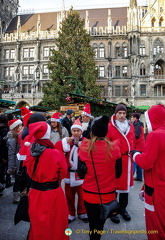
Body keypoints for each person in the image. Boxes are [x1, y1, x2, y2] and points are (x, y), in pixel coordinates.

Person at [78, 115, 121, 240]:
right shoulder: (114, 148)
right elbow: (118, 174)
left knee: (93, 223)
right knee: (100, 223)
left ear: (92, 131)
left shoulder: (85, 148)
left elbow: (81, 174)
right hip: (108, 194)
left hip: (89, 194)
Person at [25, 121, 69, 240]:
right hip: (53, 193)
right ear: (47, 134)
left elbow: (29, 172)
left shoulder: (30, 152)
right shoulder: (56, 153)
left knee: (38, 223)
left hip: (35, 193)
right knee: (57, 223)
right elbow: (63, 174)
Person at [131, 104, 165, 240]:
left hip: (156, 189)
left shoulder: (155, 136)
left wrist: (135, 155)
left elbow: (146, 162)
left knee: (155, 228)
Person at [55, 118, 88, 223]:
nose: (76, 133)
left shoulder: (85, 142)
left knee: (82, 195)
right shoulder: (67, 142)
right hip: (69, 174)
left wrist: (81, 147)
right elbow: (57, 149)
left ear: (81, 131)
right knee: (69, 195)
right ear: (71, 131)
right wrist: (65, 141)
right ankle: (71, 213)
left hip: (81, 174)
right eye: (74, 131)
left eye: (78, 131)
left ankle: (82, 212)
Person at [106, 104, 134, 223]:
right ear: (115, 114)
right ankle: (113, 211)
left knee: (125, 187)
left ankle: (123, 209)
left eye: (124, 113)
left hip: (128, 160)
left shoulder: (131, 126)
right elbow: (106, 144)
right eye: (120, 113)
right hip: (115, 161)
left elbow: (134, 142)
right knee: (114, 187)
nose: (122, 116)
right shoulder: (109, 127)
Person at [6, 119, 23, 203]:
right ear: (16, 127)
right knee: (17, 179)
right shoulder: (13, 138)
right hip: (16, 162)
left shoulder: (18, 136)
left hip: (19, 161)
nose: (22, 127)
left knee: (19, 179)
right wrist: (12, 166)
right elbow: (11, 153)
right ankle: (16, 197)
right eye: (20, 126)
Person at [130, 112, 145, 181]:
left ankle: (130, 176)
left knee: (134, 161)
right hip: (141, 145)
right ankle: (139, 176)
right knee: (139, 161)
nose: (131, 119)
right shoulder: (140, 124)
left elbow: (136, 136)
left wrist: (132, 142)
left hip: (137, 146)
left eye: (131, 117)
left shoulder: (136, 124)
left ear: (135, 118)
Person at [0, 114, 9, 195]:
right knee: (1, 171)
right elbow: (4, 145)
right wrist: (5, 156)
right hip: (2, 155)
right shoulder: (5, 131)